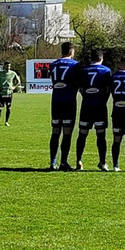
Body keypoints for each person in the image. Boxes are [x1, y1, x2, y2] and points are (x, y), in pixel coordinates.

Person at [75, 49, 112, 171]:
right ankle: (102, 162)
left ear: (90, 58)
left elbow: (80, 88)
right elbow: (108, 90)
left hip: (86, 106)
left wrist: (86, 96)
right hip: (100, 107)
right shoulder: (106, 71)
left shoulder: (83, 70)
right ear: (101, 59)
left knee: (82, 134)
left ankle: (79, 161)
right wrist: (103, 100)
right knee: (101, 135)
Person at [48, 42, 82, 170]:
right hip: (69, 101)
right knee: (67, 132)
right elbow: (78, 83)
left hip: (56, 101)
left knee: (55, 132)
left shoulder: (53, 65)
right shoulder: (76, 65)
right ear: (71, 52)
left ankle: (53, 162)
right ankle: (63, 162)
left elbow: (53, 81)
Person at [0, 61, 21, 127]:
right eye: (7, 66)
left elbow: (18, 81)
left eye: (9, 66)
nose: (8, 67)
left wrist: (14, 87)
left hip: (9, 93)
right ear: (4, 66)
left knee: (8, 108)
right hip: (2, 93)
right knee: (0, 108)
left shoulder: (13, 73)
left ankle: (6, 122)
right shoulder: (0, 73)